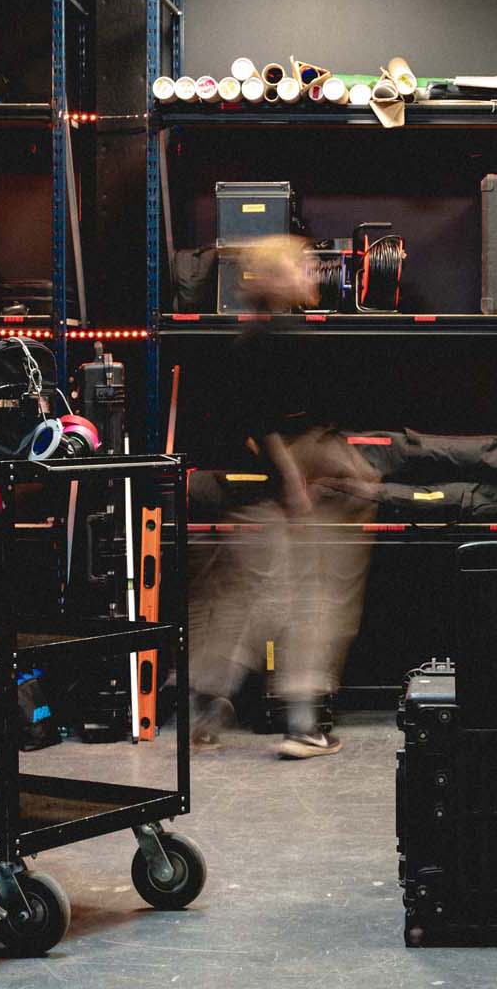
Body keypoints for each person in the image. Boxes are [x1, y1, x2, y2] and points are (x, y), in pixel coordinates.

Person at [186, 237, 378, 759]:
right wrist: (303, 484)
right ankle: (303, 725)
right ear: (276, 278)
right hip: (289, 498)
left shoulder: (244, 341)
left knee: (241, 605)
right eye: (302, 264)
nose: (313, 270)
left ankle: (205, 707)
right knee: (313, 606)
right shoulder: (285, 340)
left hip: (245, 497)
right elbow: (273, 429)